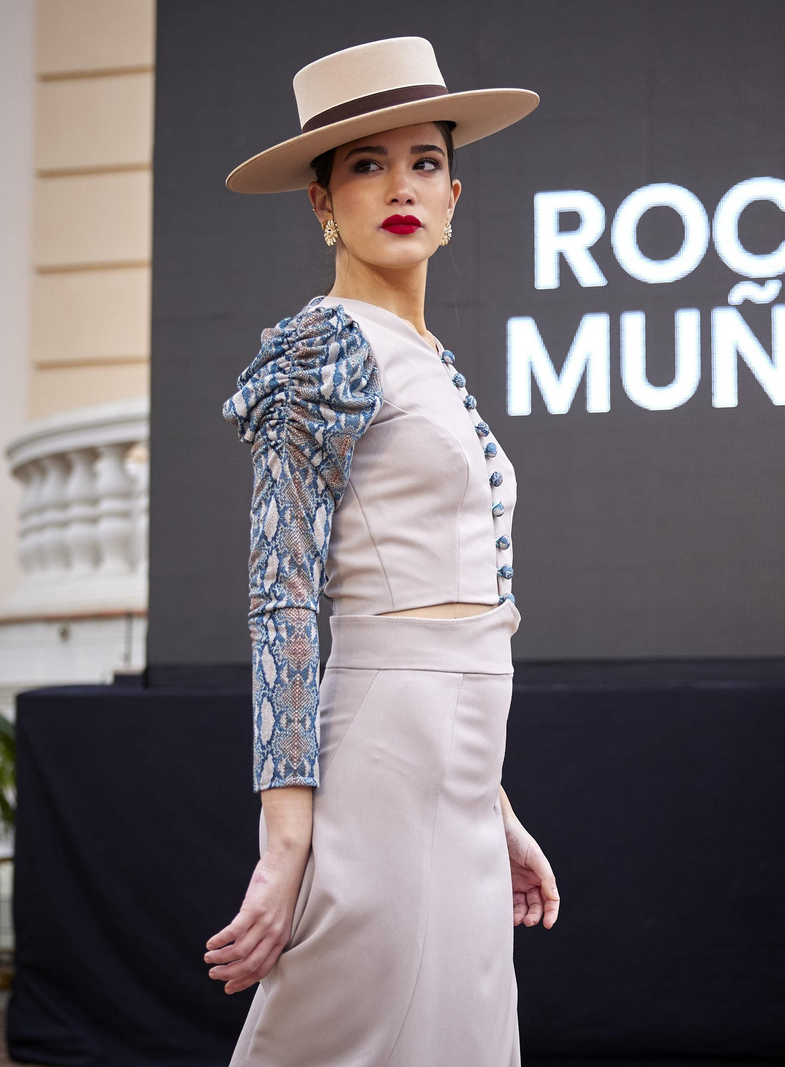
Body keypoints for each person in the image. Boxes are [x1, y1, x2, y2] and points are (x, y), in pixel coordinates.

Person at [202, 37, 556, 1066]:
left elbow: (454, 601)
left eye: (424, 162)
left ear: (453, 195)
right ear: (321, 200)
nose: (400, 185)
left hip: (459, 755)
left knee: (462, 1039)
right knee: (348, 1036)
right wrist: (285, 840)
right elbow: (283, 596)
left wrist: (494, 808)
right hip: (379, 752)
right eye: (366, 164)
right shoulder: (321, 347)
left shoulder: (434, 363)